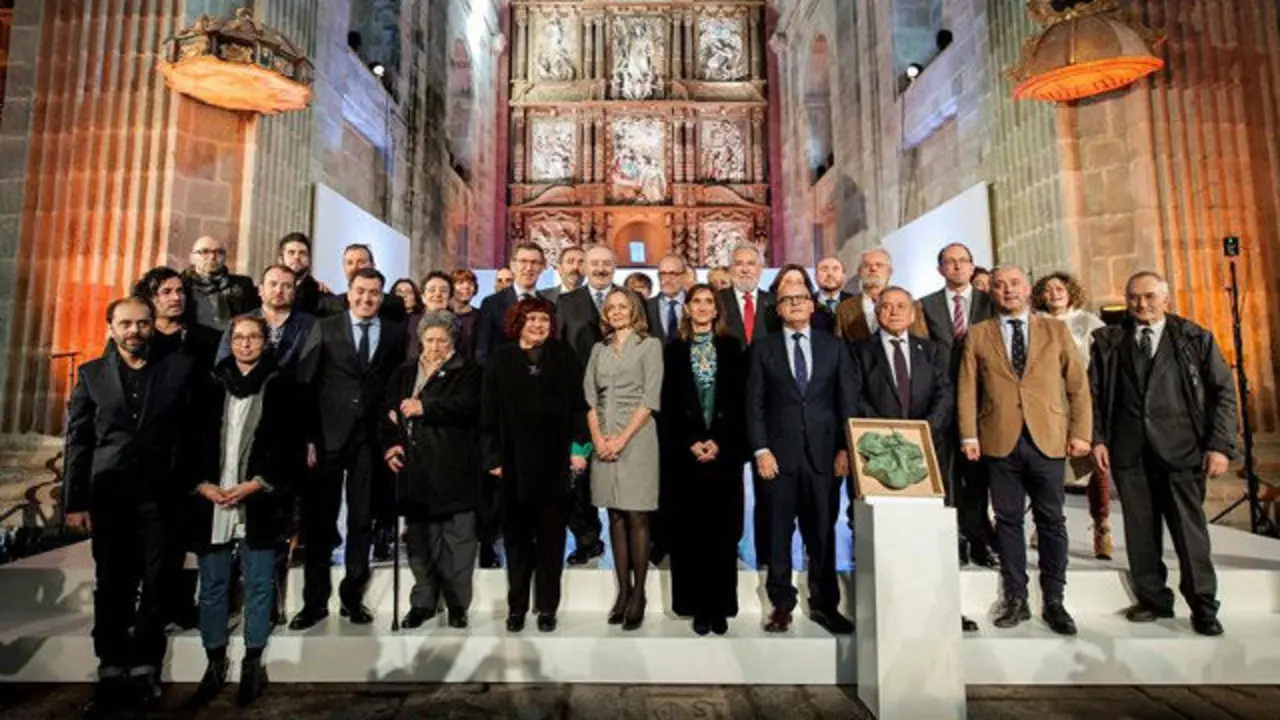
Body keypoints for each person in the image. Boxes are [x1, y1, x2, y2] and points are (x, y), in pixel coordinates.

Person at [63, 297, 196, 715]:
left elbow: (192, 435)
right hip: (110, 496)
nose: (135, 330)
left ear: (152, 326)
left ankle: (145, 666)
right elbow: (78, 443)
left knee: (157, 582)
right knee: (113, 583)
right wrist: (74, 501)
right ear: (111, 328)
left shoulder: (178, 369)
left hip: (162, 495)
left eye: (142, 323)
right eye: (126, 324)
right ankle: (110, 668)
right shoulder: (91, 375)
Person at [1090, 272, 1235, 637]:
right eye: (1134, 297)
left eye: (1150, 296)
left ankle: (1203, 606)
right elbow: (1094, 394)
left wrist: (1219, 446)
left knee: (1190, 534)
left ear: (1166, 299)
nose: (1142, 304)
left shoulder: (1193, 337)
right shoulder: (1108, 340)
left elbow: (1223, 393)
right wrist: (1098, 439)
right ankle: (1153, 599)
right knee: (1140, 531)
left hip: (1182, 450)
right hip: (1129, 450)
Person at [957, 265, 1091, 636]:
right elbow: (967, 388)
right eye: (999, 286)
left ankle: (1054, 599)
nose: (1007, 290)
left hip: (1048, 436)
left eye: (1014, 284)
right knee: (1009, 521)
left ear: (1027, 290)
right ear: (992, 294)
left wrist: (1081, 433)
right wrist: (969, 435)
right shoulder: (979, 334)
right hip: (999, 440)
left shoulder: (1055, 329)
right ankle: (1016, 597)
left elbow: (1077, 385)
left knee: (1051, 520)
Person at [186, 316, 302, 710]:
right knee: (214, 585)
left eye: (254, 337)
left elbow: (289, 445)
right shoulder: (208, 382)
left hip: (259, 499)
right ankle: (214, 661)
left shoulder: (282, 384)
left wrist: (256, 483)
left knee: (258, 583)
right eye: (239, 338)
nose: (246, 344)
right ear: (230, 342)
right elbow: (191, 439)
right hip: (213, 497)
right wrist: (204, 486)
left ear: (266, 342)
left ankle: (253, 659)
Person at [851, 287, 977, 633]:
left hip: (926, 452)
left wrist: (922, 431)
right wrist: (890, 434)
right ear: (876, 312)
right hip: (877, 455)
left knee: (931, 533)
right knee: (886, 533)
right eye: (885, 306)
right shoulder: (859, 352)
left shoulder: (931, 350)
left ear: (912, 313)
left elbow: (944, 394)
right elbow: (857, 396)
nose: (893, 312)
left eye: (900, 306)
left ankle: (943, 606)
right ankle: (887, 610)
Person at [291, 268, 408, 630]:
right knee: (319, 522)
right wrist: (307, 436)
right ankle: (313, 602)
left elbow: (393, 386)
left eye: (374, 293)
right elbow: (306, 384)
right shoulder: (325, 328)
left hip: (369, 440)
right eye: (360, 292)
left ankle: (352, 597)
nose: (367, 299)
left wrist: (392, 435)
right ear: (349, 292)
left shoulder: (394, 333)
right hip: (327, 437)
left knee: (361, 520)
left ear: (381, 295)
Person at [747, 284, 858, 635]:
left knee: (822, 532)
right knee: (779, 533)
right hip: (778, 458)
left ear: (812, 306)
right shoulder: (763, 349)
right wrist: (761, 450)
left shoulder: (834, 347)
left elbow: (847, 403)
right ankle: (781, 605)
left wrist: (845, 449)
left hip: (825, 456)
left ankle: (826, 604)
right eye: (787, 300)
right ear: (778, 309)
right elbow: (754, 405)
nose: (795, 304)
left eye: (801, 299)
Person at [481, 297, 590, 633]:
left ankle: (546, 608)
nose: (539, 325)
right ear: (519, 322)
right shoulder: (501, 358)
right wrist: (492, 458)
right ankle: (516, 608)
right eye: (532, 319)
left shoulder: (563, 355)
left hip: (555, 463)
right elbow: (487, 412)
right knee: (515, 542)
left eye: (544, 320)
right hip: (513, 465)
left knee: (551, 541)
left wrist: (579, 449)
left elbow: (578, 408)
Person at [381, 311, 483, 630]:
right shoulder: (405, 371)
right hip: (416, 469)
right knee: (420, 542)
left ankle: (456, 604)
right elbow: (387, 413)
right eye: (429, 339)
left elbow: (472, 406)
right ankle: (423, 602)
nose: (435, 346)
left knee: (458, 543)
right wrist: (392, 444)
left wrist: (426, 407)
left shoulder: (467, 371)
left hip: (456, 467)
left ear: (453, 341)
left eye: (442, 340)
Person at [661, 285, 747, 636]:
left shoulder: (732, 348)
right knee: (690, 532)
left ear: (717, 310)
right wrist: (691, 443)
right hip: (686, 455)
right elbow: (666, 405)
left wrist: (720, 443)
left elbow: (740, 402)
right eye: (696, 301)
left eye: (708, 302)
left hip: (723, 453)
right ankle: (695, 605)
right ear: (687, 309)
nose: (702, 307)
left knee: (723, 533)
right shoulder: (673, 350)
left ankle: (720, 605)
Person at [585, 288, 664, 630]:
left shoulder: (650, 346)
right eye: (611, 307)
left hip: (637, 438)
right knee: (614, 516)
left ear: (634, 311)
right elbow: (590, 399)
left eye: (622, 307)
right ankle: (623, 591)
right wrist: (599, 440)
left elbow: (650, 398)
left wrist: (621, 438)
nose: (616, 312)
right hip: (604, 439)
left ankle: (639, 595)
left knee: (637, 516)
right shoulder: (598, 350)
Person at [916, 242, 998, 567]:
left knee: (978, 479)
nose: (957, 267)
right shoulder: (926, 306)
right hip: (940, 400)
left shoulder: (990, 305)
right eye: (950, 262)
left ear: (972, 265)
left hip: (980, 402)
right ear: (940, 269)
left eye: (963, 261)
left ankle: (979, 540)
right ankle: (951, 541)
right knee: (945, 476)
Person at [1033, 271, 1110, 558]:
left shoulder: (1087, 322)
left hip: (1084, 399)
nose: (1054, 294)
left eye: (1059, 288)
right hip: (1047, 402)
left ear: (1070, 291)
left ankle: (1101, 525)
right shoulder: (1036, 323)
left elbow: (1102, 361)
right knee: (1047, 466)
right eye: (1048, 289)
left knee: (1095, 465)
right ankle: (1046, 524)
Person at [555, 244, 621, 564]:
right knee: (578, 477)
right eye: (593, 263)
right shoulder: (566, 303)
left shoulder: (629, 300)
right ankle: (587, 540)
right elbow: (558, 350)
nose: (599, 268)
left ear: (614, 266)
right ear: (584, 267)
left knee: (621, 473)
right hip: (579, 404)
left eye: (606, 263)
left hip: (621, 403)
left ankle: (627, 542)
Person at [215, 264, 316, 373]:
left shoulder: (310, 325)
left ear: (294, 292)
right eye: (273, 284)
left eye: (287, 286)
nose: (279, 290)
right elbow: (222, 369)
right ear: (260, 290)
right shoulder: (238, 324)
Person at [476, 243, 546, 363]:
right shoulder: (491, 303)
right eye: (523, 261)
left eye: (534, 262)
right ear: (513, 265)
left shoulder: (548, 306)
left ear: (542, 267)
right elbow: (482, 351)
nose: (528, 268)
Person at [183, 236, 259, 332]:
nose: (212, 257)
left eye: (219, 252)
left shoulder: (243, 285)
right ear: (192, 257)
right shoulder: (181, 285)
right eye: (205, 251)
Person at [317, 244, 408, 321]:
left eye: (361, 262)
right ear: (344, 268)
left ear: (373, 265)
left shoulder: (394, 305)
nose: (355, 267)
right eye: (349, 263)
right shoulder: (329, 306)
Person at [719, 244, 777, 349]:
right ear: (730, 269)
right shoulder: (718, 300)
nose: (745, 270)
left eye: (751, 264)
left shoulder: (774, 301)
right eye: (738, 264)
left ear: (760, 269)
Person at [835, 247, 896, 342]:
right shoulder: (844, 309)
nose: (873, 268)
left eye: (879, 265)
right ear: (859, 272)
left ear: (890, 272)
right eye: (867, 265)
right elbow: (839, 346)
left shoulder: (908, 304)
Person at [279, 232, 328, 316]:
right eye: (291, 252)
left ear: (309, 260)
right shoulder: (266, 293)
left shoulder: (324, 299)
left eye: (302, 253)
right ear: (280, 259)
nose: (296, 257)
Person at [646, 254, 687, 343]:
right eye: (663, 274)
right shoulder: (645, 307)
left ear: (684, 276)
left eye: (673, 274)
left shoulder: (695, 303)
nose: (667, 279)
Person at [813, 256, 853, 334]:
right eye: (824, 269)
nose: (830, 274)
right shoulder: (806, 303)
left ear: (843, 277)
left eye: (835, 269)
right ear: (815, 277)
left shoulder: (855, 303)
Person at [451, 269, 481, 361]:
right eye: (460, 283)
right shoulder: (443, 315)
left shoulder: (481, 316)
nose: (466, 286)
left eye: (470, 283)